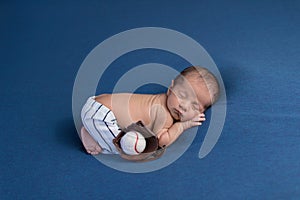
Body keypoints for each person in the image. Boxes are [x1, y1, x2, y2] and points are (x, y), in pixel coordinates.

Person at [80, 66, 220, 155]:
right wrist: (182, 125)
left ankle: (91, 129)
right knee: (128, 147)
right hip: (101, 114)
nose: (184, 106)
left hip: (97, 104)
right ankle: (94, 139)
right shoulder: (163, 112)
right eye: (182, 95)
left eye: (194, 107)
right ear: (170, 88)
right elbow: (161, 142)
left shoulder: (160, 99)